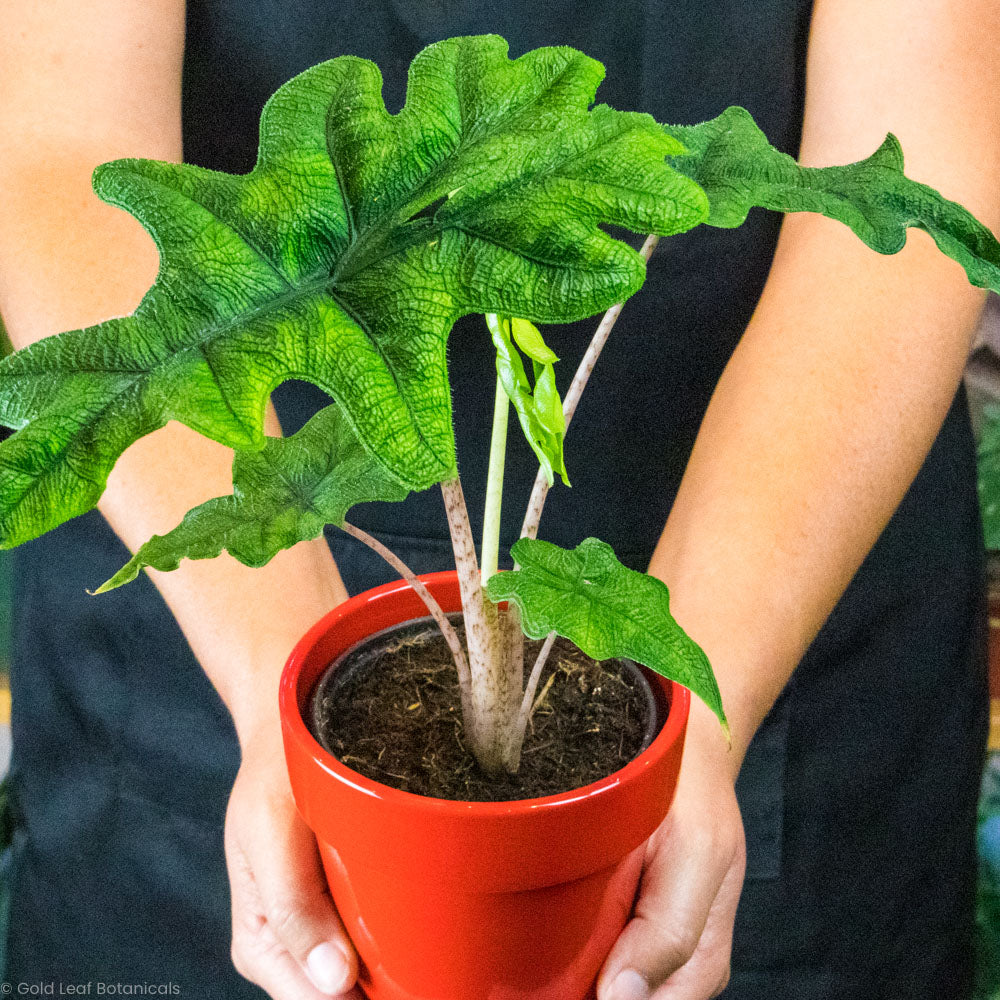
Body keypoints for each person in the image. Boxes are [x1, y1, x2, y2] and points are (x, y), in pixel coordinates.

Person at [0, 1, 997, 998]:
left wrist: (688, 711)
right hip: (215, 592)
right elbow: (63, 141)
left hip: (780, 575)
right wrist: (285, 699)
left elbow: (915, 127)